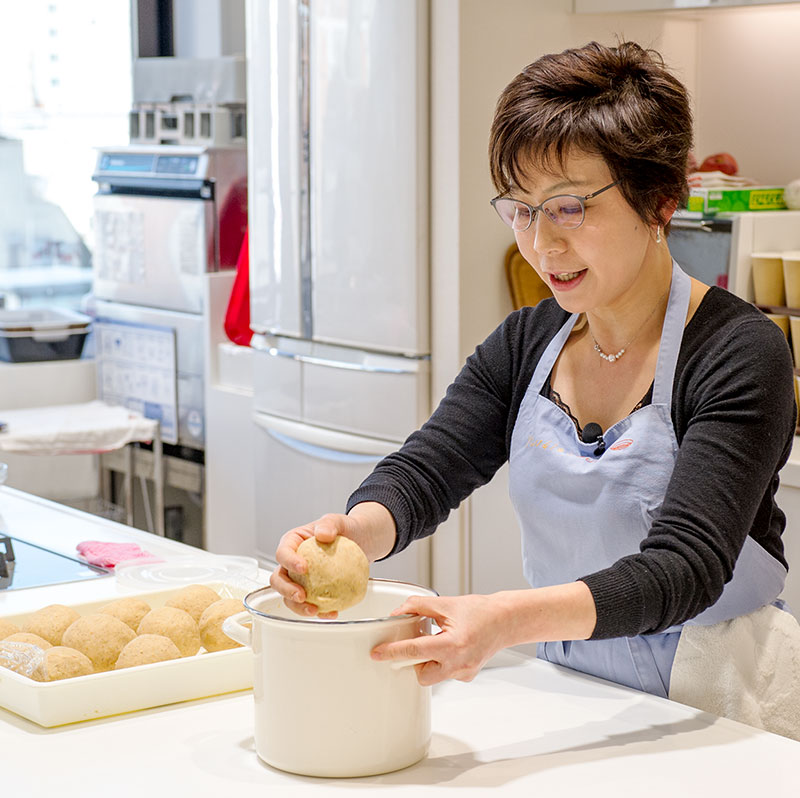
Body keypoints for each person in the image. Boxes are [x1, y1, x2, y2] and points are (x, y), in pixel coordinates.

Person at [270, 40, 800, 739]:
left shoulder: (737, 352)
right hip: (572, 695)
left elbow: (686, 566)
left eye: (570, 208)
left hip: (722, 709)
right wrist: (353, 534)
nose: (542, 245)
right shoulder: (527, 343)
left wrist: (504, 618)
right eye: (520, 209)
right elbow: (430, 469)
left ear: (659, 200)